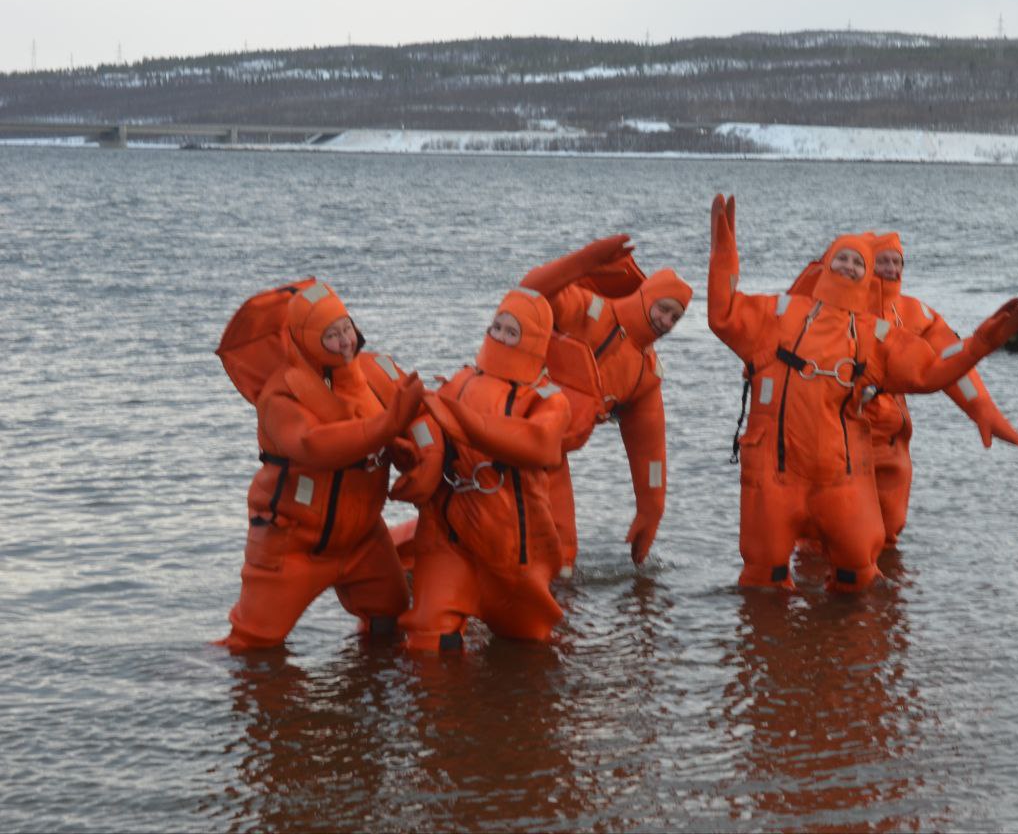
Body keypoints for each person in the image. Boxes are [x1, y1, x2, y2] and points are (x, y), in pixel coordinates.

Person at [706, 195, 1018, 593]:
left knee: (870, 556)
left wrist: (981, 374)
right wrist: (724, 255)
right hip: (800, 453)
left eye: (868, 262)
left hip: (864, 454)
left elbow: (937, 367)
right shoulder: (787, 312)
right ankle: (792, 635)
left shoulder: (897, 324)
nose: (863, 267)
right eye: (849, 259)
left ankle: (860, 634)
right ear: (829, 264)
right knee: (782, 563)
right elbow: (728, 317)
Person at [215, 280, 433, 650]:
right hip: (294, 543)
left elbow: (422, 414)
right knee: (250, 644)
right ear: (305, 338)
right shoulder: (281, 393)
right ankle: (192, 684)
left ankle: (370, 679)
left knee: (390, 614)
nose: (345, 341)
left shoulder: (373, 373)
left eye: (346, 328)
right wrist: (387, 425)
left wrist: (414, 455)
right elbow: (312, 445)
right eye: (331, 335)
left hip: (363, 538)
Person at [397, 286, 572, 652]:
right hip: (448, 535)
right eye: (498, 328)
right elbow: (424, 429)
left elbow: (538, 443)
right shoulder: (460, 381)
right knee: (430, 643)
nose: (503, 339)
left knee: (530, 650)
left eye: (514, 332)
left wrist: (459, 419)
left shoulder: (547, 399)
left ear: (536, 341)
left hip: (512, 548)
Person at [519, 235, 694, 575]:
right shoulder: (591, 310)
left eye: (676, 317)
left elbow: (650, 451)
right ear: (647, 296)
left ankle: (554, 622)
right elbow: (530, 291)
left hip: (550, 455)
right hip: (506, 429)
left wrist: (651, 508)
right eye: (664, 308)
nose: (667, 321)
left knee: (562, 554)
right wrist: (584, 261)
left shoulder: (645, 374)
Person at [859, 232, 1018, 552]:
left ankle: (884, 595)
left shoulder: (912, 312)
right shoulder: (840, 307)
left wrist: (981, 408)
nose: (891, 268)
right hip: (845, 433)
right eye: (882, 261)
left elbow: (949, 359)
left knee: (889, 531)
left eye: (896, 262)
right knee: (835, 534)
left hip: (892, 439)